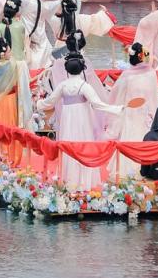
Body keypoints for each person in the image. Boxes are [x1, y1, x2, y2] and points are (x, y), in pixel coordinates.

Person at [38, 54, 125, 191]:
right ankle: (83, 181)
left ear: (67, 70)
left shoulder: (62, 85)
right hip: (82, 119)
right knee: (83, 144)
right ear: (81, 70)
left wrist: (38, 104)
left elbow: (49, 102)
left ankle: (68, 179)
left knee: (68, 145)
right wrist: (116, 109)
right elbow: (97, 104)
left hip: (68, 118)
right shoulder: (85, 86)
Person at [107, 43, 158, 179]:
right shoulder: (151, 74)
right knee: (142, 140)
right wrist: (157, 117)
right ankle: (143, 170)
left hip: (132, 114)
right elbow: (155, 97)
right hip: (143, 115)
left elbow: (117, 96)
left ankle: (127, 172)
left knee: (129, 139)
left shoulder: (127, 76)